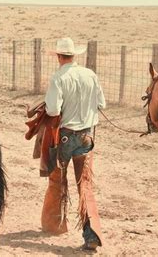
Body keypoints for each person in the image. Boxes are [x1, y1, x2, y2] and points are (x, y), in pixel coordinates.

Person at [42, 37, 105, 250]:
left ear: (59, 56)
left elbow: (53, 110)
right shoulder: (90, 75)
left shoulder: (58, 77)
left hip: (65, 137)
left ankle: (55, 224)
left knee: (58, 180)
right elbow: (101, 103)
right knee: (85, 185)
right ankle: (91, 235)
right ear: (74, 55)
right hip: (86, 136)